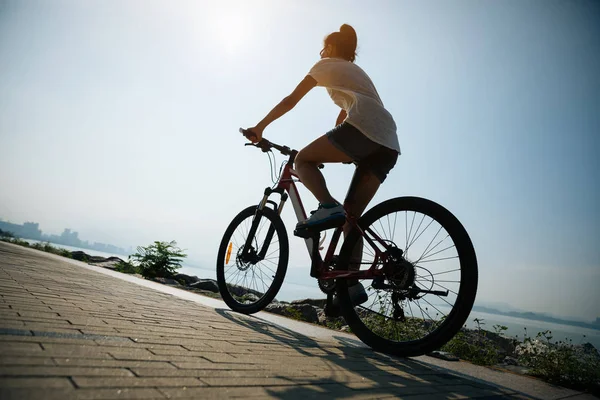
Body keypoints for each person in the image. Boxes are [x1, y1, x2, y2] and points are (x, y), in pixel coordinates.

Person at [244, 24, 401, 307]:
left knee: (303, 159)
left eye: (324, 46)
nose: (321, 51)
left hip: (364, 130)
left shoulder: (326, 65)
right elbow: (343, 116)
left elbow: (290, 100)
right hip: (388, 143)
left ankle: (327, 205)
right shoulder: (356, 76)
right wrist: (336, 150)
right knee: (351, 219)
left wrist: (260, 127)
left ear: (330, 48)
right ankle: (349, 287)